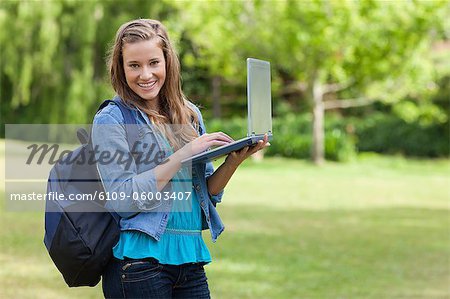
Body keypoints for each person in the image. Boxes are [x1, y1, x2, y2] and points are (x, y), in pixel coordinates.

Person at [92, 19, 269, 299]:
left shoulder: (188, 115)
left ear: (167, 62)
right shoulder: (112, 119)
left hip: (189, 261)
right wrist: (183, 155)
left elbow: (206, 192)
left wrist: (233, 161)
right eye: (134, 65)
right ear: (121, 68)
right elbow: (123, 201)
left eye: (153, 62)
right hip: (139, 264)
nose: (145, 74)